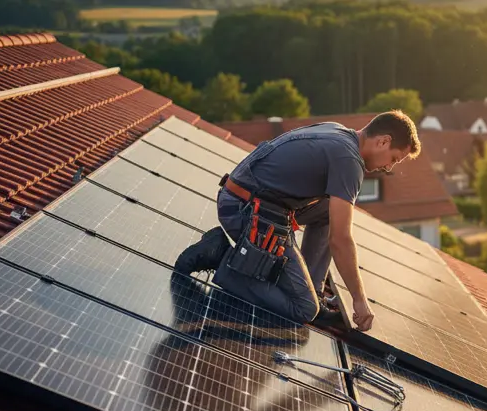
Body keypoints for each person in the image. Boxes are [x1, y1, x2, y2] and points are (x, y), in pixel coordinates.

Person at [174, 110, 421, 332]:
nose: (388, 168)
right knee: (303, 309)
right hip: (247, 210)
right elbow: (341, 240)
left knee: (329, 211)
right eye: (394, 159)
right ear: (383, 141)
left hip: (246, 197)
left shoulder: (338, 131)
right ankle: (221, 257)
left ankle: (312, 288)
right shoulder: (348, 161)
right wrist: (359, 299)